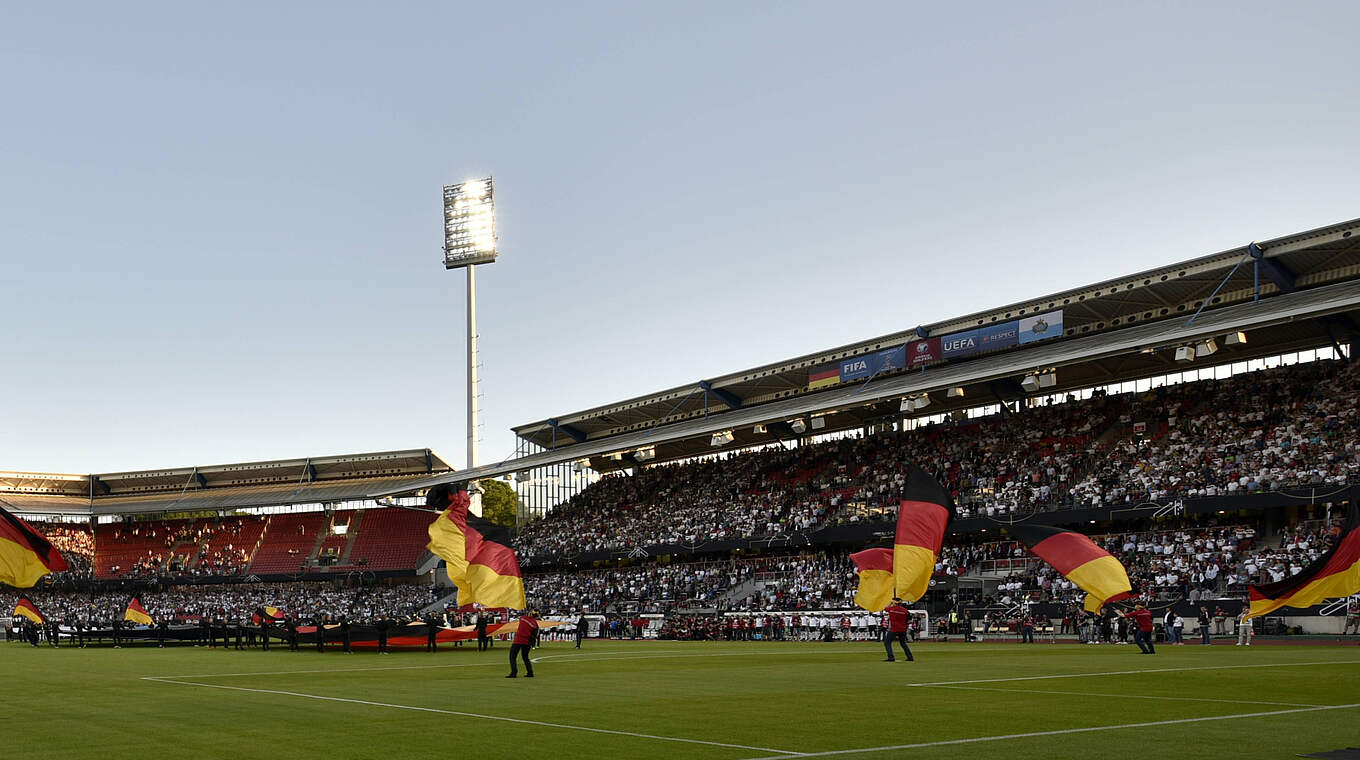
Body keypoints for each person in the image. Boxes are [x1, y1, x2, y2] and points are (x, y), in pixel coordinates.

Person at [507, 609, 540, 678]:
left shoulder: (523, 618)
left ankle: (514, 672)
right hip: (527, 642)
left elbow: (521, 617)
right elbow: (534, 635)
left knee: (512, 657)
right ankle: (530, 672)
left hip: (518, 640)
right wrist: (532, 644)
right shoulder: (535, 624)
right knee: (525, 658)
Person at [882, 598, 915, 662]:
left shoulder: (891, 609)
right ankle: (910, 657)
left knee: (887, 643)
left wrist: (890, 603)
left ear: (894, 603)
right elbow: (910, 621)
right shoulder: (905, 611)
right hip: (903, 629)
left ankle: (891, 657)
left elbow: (885, 608)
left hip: (894, 629)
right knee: (903, 643)